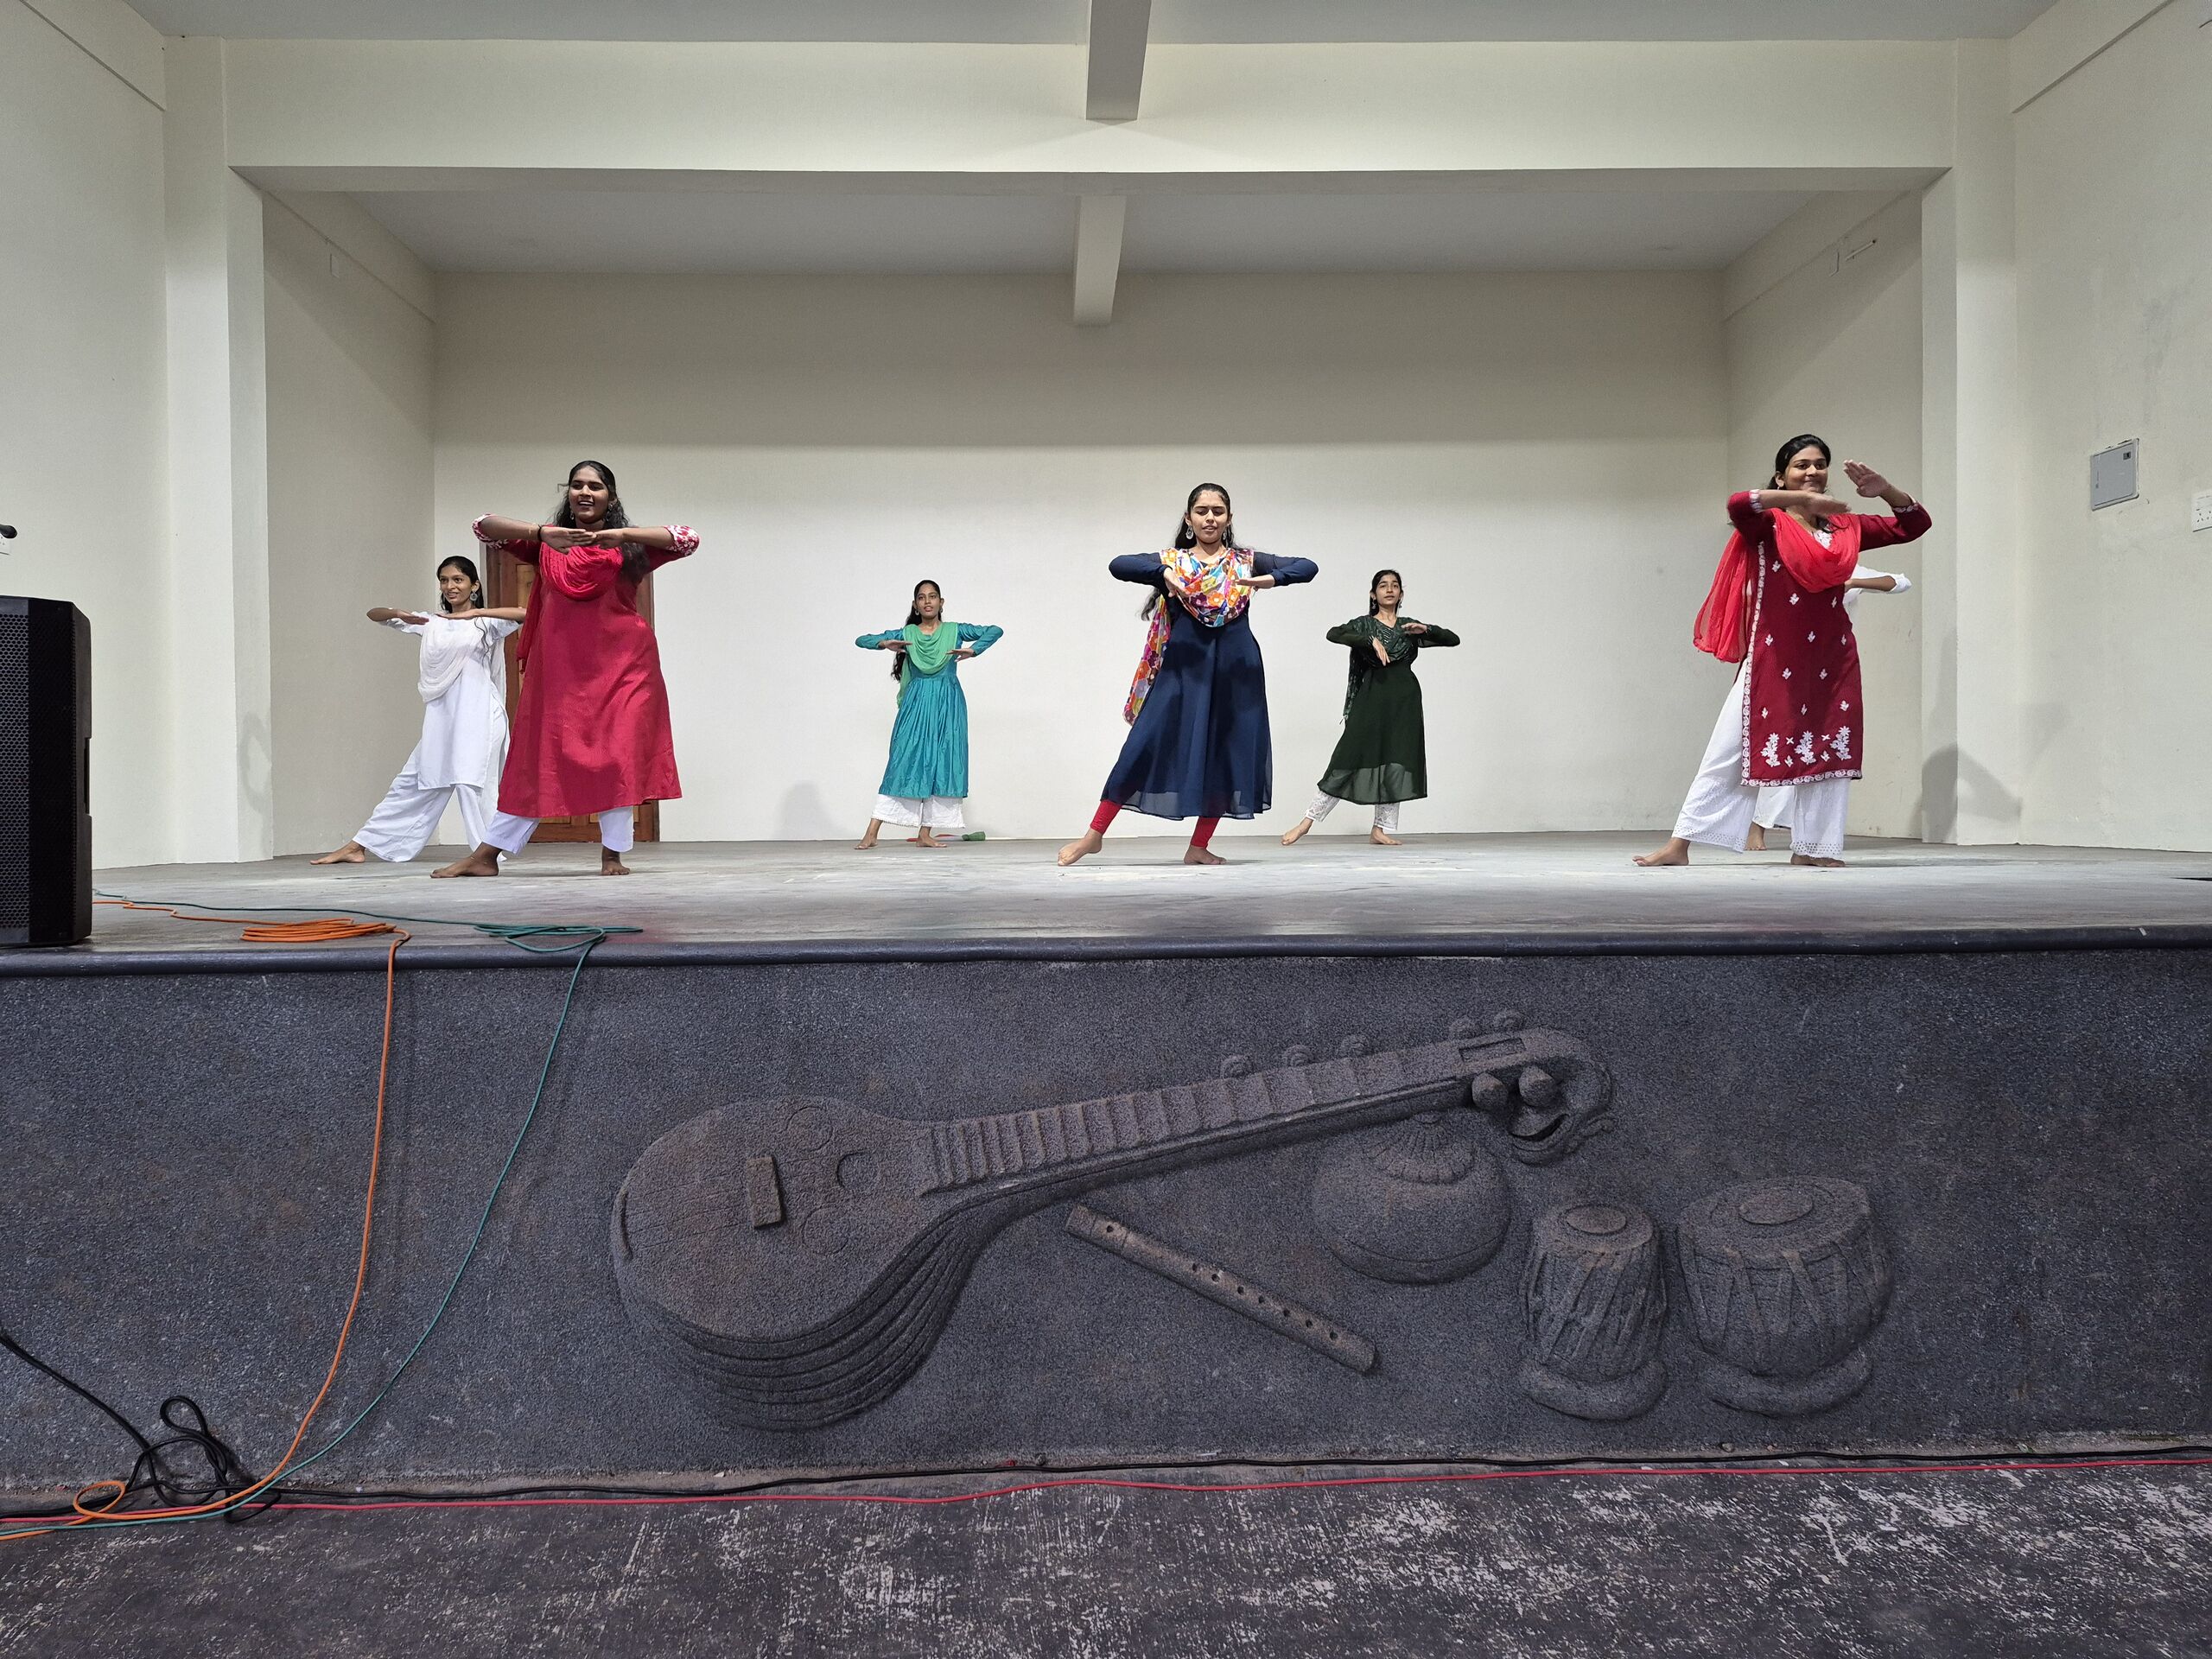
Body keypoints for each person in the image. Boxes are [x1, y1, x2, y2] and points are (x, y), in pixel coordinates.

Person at [1637, 435, 1929, 869]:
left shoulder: (1847, 528)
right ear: (1781, 476)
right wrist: (1799, 500)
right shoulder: (1769, 525)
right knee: (1729, 747)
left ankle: (1814, 849)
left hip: (1832, 657)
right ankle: (1680, 845)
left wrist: (1885, 489)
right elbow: (1738, 504)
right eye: (1801, 465)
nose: (1813, 471)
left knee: (1828, 747)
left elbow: (1914, 525)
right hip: (1772, 655)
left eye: (1820, 464)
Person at [433, 460, 699, 878]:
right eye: (577, 485)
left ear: (611, 496)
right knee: (541, 759)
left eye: (596, 486)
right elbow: (482, 526)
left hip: (626, 667)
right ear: (569, 493)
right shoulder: (545, 545)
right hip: (562, 672)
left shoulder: (630, 549)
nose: (585, 492)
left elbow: (688, 539)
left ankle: (612, 854)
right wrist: (540, 533)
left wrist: (623, 535)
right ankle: (487, 855)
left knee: (618, 756)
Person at [1058, 483, 1317, 867]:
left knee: (1226, 755)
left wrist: (1273, 578)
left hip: (1237, 671)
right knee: (1142, 746)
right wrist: (1163, 572)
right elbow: (1119, 564)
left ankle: (1199, 845)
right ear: (1188, 518)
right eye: (1201, 511)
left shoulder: (1246, 561)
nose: (1210, 518)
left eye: (1217, 511)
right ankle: (1094, 835)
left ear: (1229, 518)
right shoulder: (1174, 562)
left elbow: (1308, 567)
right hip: (1184, 670)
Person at [310, 556, 524, 867]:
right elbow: (374, 615)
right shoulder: (431, 622)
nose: (450, 586)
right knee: (414, 780)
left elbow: (524, 613)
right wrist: (397, 614)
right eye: (444, 580)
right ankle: (358, 845)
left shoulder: (485, 624)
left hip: (478, 716)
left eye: (458, 580)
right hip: (442, 718)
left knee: (471, 782)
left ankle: (485, 854)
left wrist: (477, 612)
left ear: (474, 585)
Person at [1281, 569, 1459, 848]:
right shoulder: (1364, 625)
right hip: (1372, 697)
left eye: (1395, 585)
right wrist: (1368, 640)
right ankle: (1307, 822)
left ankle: (1380, 829)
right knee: (1347, 756)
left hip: (1405, 701)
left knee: (1395, 760)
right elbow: (1334, 633)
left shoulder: (1409, 627)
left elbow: (1453, 639)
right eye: (1383, 585)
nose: (1389, 589)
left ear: (1401, 594)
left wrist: (1427, 630)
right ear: (1373, 594)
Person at [1747, 563, 1914, 851]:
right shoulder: (1797, 568)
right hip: (1793, 669)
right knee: (1787, 747)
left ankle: (1811, 836)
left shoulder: (1849, 571)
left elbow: (1901, 582)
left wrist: (1852, 583)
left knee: (1821, 751)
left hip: (1832, 670)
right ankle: (1758, 826)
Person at [854, 580, 1003, 849]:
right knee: (903, 759)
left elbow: (995, 630)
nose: (927, 601)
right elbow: (861, 640)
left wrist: (974, 650)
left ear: (941, 602)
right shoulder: (908, 633)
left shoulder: (955, 630)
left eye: (932, 596)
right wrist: (885, 643)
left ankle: (925, 833)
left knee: (942, 760)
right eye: (922, 598)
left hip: (948, 700)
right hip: (917, 700)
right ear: (915, 605)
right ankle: (872, 831)